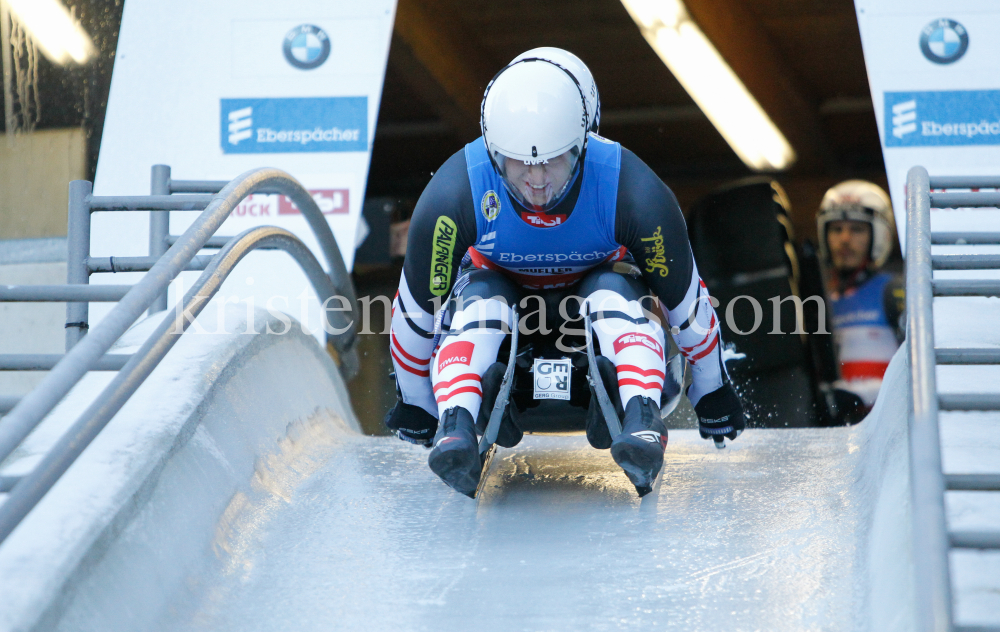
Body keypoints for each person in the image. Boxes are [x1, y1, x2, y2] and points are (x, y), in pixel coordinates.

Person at [384, 48, 747, 497]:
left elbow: (684, 298)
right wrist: (418, 403)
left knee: (613, 288)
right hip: (503, 314)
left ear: (584, 143)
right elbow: (419, 307)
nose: (536, 181)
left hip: (599, 310)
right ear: (493, 152)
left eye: (553, 161)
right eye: (518, 163)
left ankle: (641, 418)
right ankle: (456, 421)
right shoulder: (454, 193)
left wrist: (711, 386)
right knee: (480, 298)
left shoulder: (631, 189)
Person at [816, 180, 904, 409]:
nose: (845, 239)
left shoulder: (896, 291)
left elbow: (921, 373)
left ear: (879, 234)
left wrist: (860, 394)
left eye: (857, 229)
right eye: (836, 229)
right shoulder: (816, 302)